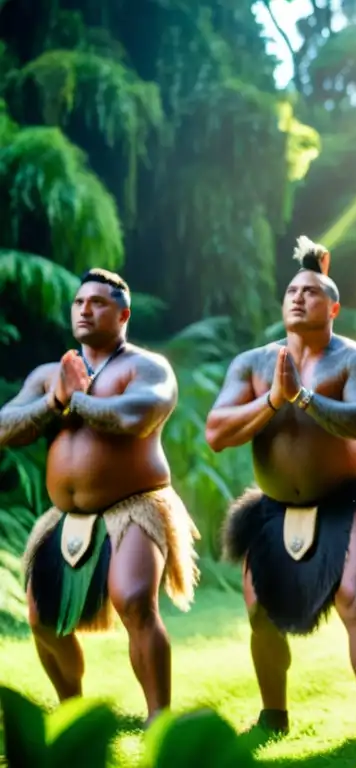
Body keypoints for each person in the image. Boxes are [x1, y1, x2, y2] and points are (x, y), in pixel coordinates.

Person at [205, 237, 356, 763]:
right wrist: (273, 399)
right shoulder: (253, 364)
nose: (299, 298)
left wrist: (304, 397)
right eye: (293, 292)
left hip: (348, 499)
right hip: (274, 505)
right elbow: (216, 431)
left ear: (334, 307)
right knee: (258, 612)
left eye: (313, 292)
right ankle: (272, 714)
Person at [0, 269, 199, 724]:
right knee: (41, 618)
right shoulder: (49, 375)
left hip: (136, 505)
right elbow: (5, 427)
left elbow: (136, 418)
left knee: (132, 598)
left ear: (123, 314)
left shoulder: (145, 367)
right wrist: (54, 401)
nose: (85, 309)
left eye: (98, 303)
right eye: (79, 303)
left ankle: (158, 718)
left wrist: (76, 399)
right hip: (64, 514)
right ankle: (72, 710)